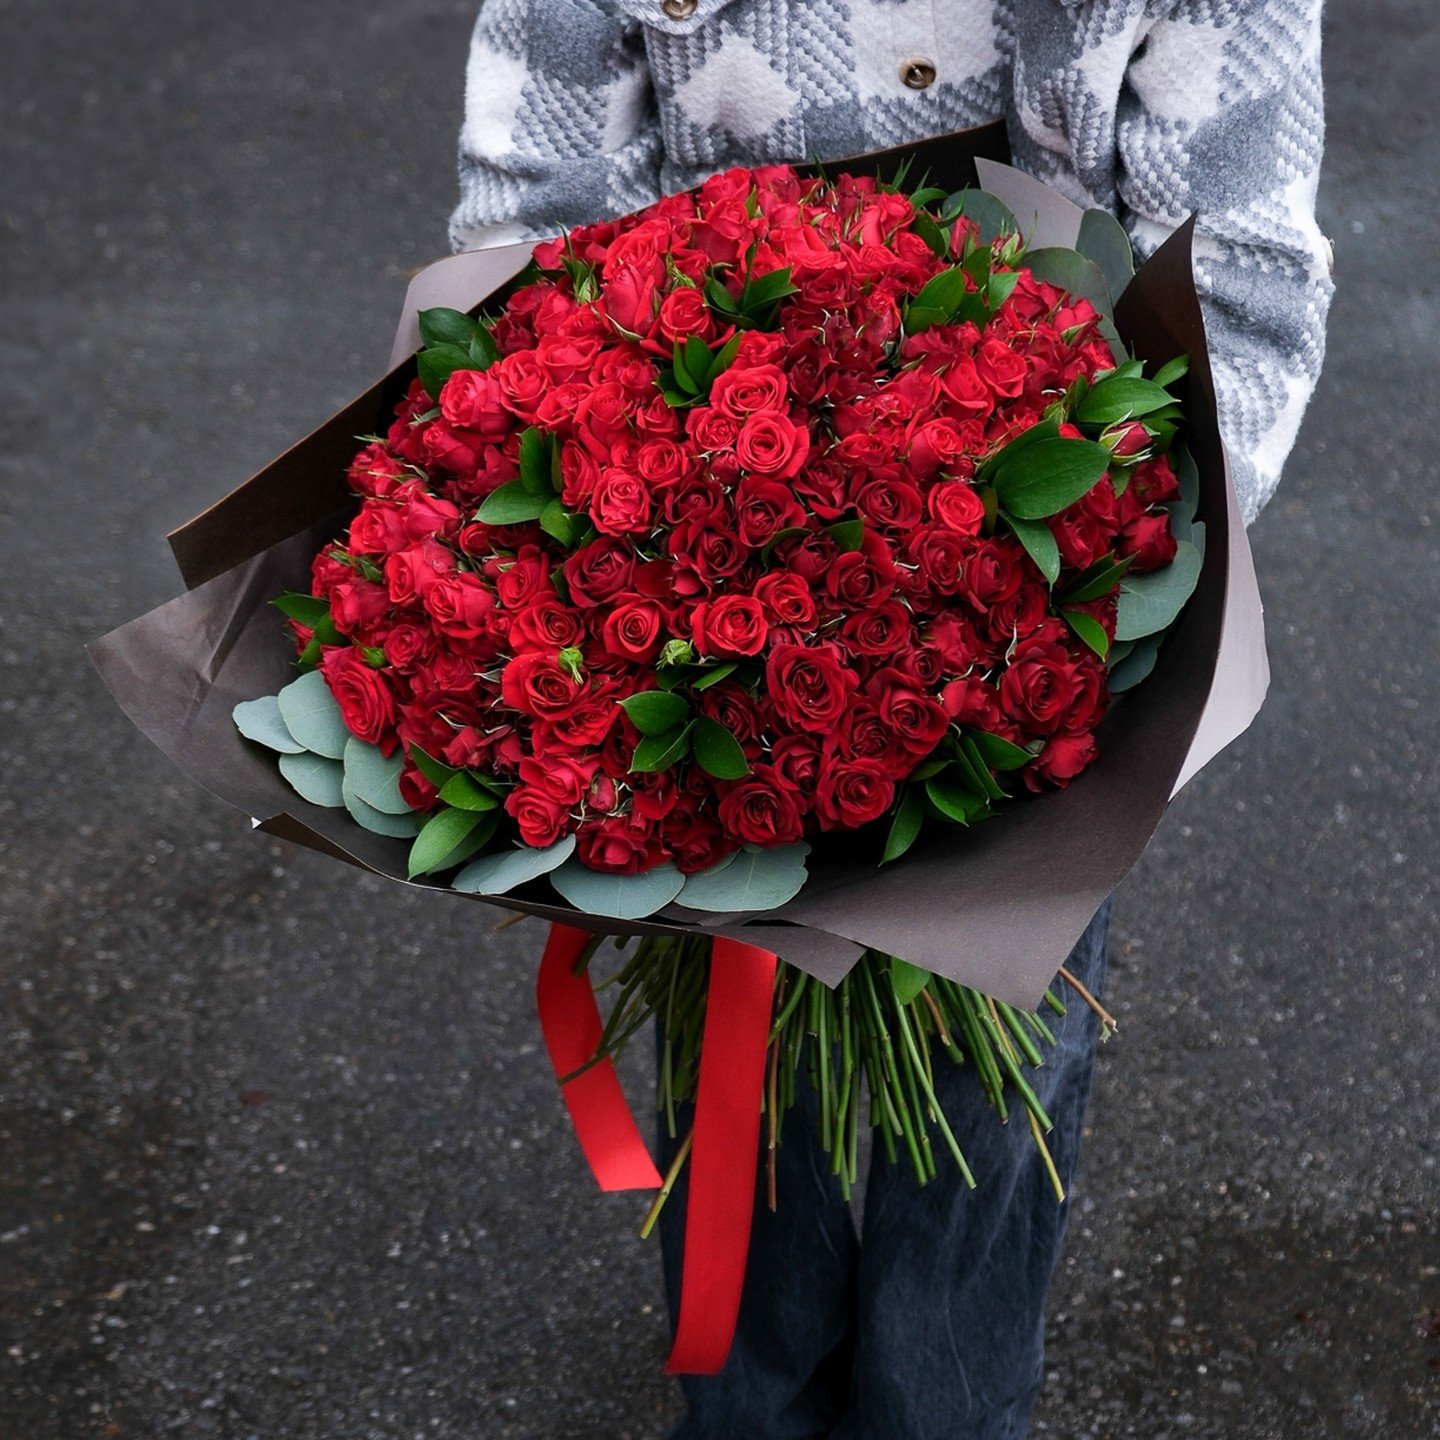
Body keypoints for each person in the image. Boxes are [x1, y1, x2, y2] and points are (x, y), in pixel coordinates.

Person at [448, 3, 1332, 1436]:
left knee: (1005, 1031)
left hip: (1050, 594)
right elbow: (525, 225)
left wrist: (1092, 589)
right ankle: (752, 1403)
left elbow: (1237, 281)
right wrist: (621, 542)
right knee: (732, 1005)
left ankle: (949, 1407)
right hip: (693, 554)